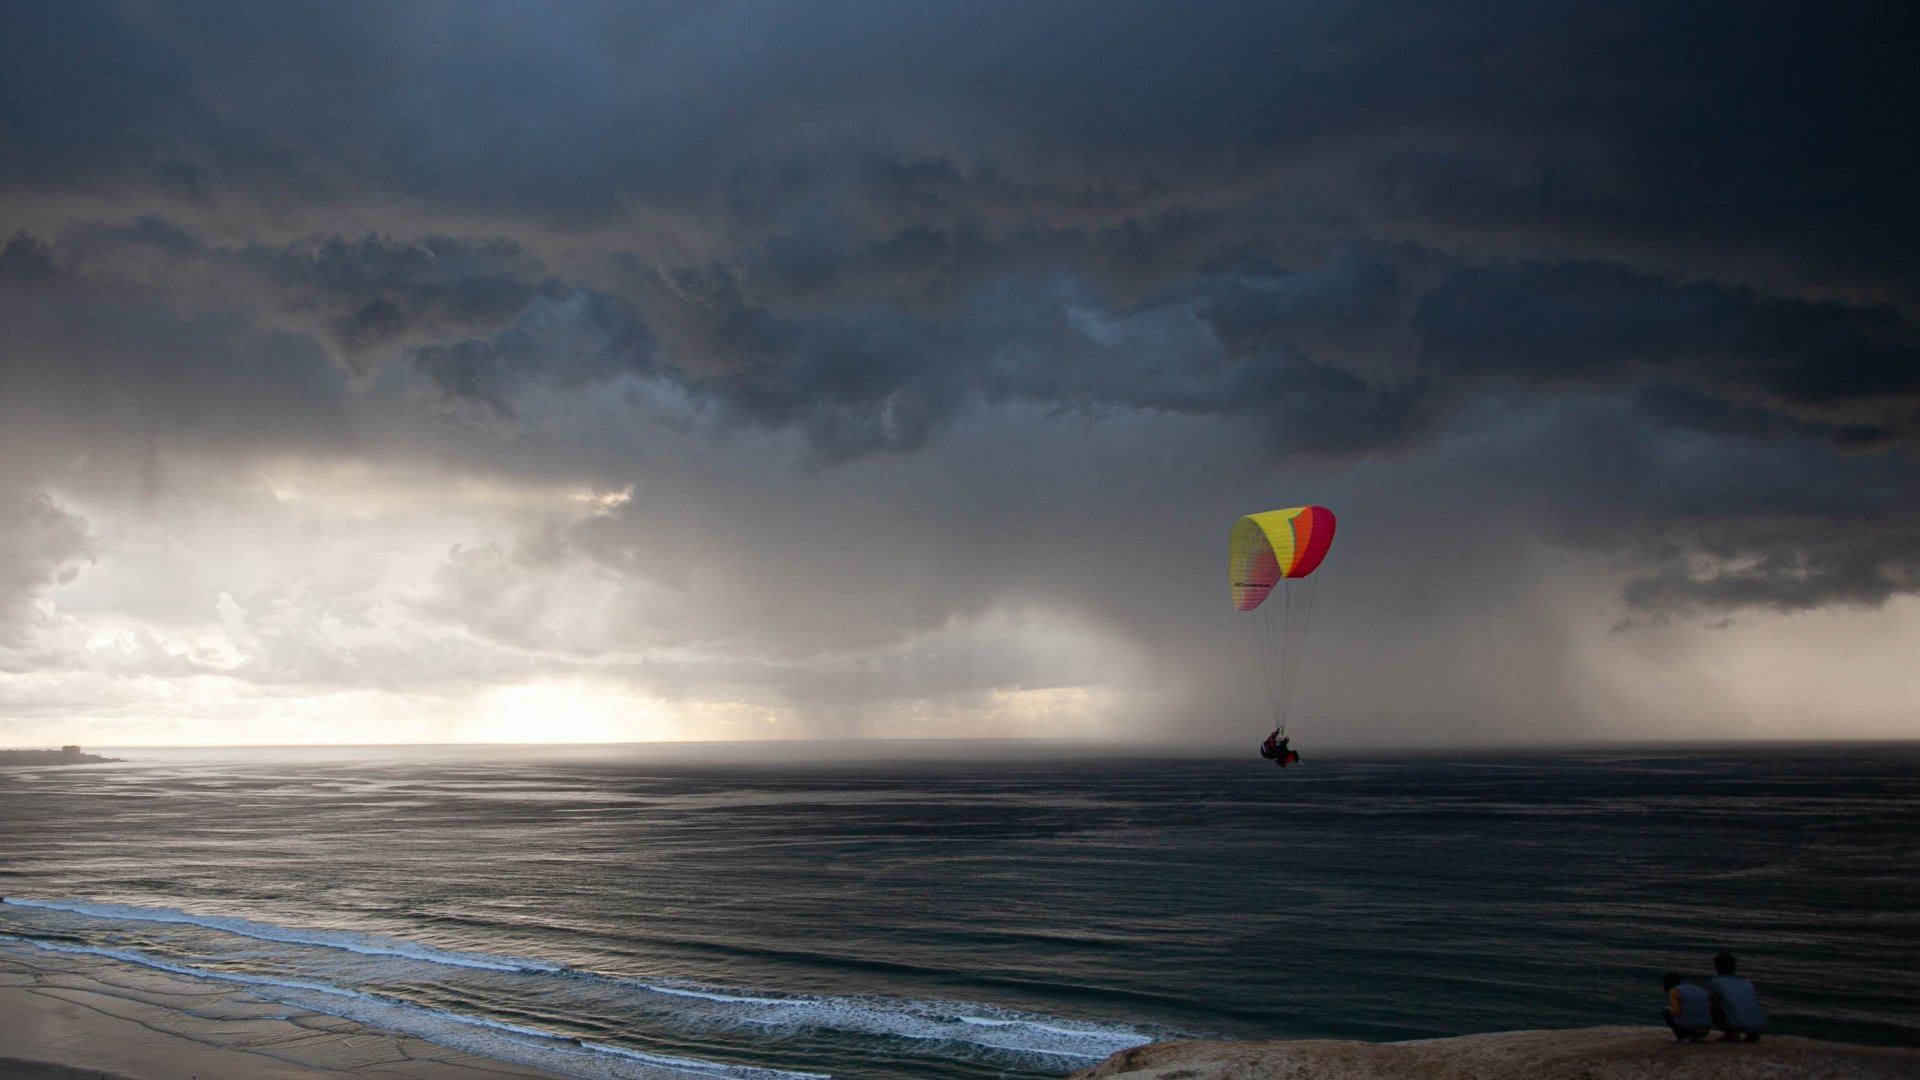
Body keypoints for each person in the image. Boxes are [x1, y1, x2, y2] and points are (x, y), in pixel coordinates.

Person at [1707, 952, 1766, 1042]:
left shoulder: (1716, 982)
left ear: (1717, 967)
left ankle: (1731, 1033)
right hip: (1759, 1023)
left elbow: (1713, 1003)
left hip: (1736, 1023)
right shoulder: (1746, 982)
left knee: (1712, 1004)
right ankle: (1753, 1032)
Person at [1661, 972, 1712, 1042]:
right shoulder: (1699, 989)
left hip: (1688, 1029)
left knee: (1666, 1012)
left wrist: (1669, 1009)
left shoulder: (1674, 991)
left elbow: (1675, 1012)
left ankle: (1682, 1036)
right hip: (1705, 1030)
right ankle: (1695, 1037)